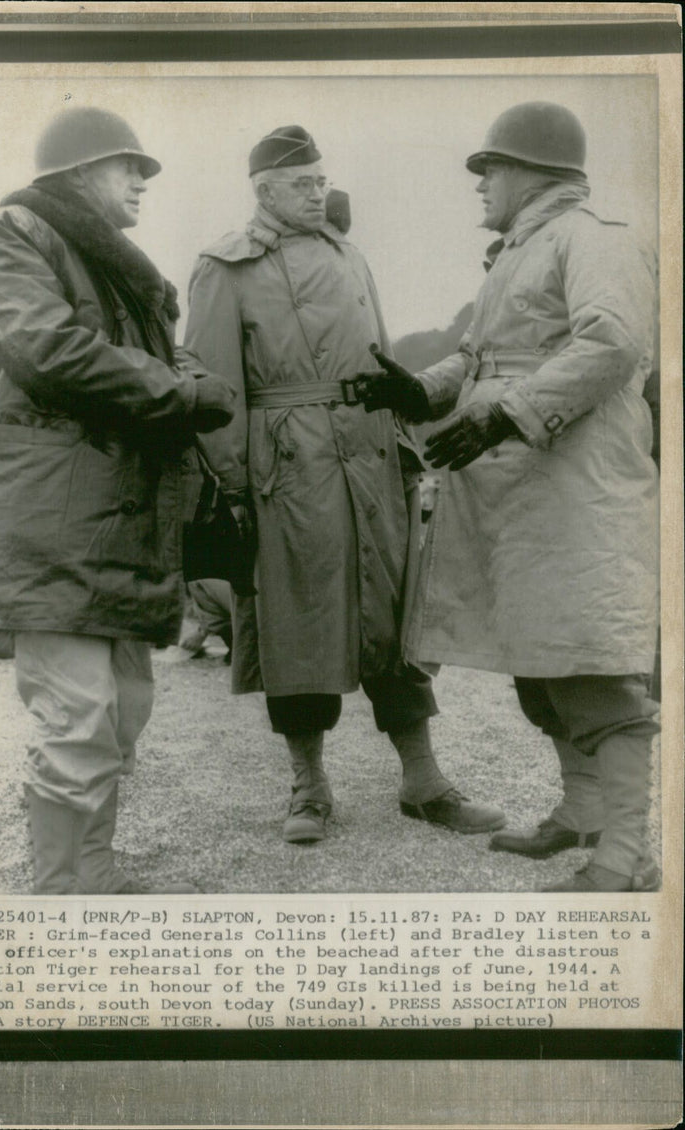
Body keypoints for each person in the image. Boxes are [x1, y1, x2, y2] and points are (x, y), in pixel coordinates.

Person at [355, 102, 659, 892]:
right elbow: (480, 359)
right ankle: (583, 814)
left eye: (489, 168)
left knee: (592, 665)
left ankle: (627, 857)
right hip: (523, 493)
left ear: (531, 170)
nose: (481, 183)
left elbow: (614, 342)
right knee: (543, 663)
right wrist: (418, 391)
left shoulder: (594, 237)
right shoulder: (517, 253)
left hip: (573, 490)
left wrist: (503, 416)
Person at [183, 125, 504, 844]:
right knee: (297, 622)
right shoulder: (223, 267)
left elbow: (382, 364)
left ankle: (424, 782)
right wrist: (238, 486)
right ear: (263, 190)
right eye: (303, 183)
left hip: (367, 455)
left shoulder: (348, 254)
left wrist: (395, 442)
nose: (318, 191)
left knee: (396, 618)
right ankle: (308, 787)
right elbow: (214, 392)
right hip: (286, 467)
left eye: (322, 179)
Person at [0, 106, 235, 893]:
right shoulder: (13, 234)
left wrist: (184, 374)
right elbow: (50, 350)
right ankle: (57, 903)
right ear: (79, 173)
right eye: (129, 167)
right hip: (49, 518)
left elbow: (145, 363)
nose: (143, 182)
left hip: (120, 518)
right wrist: (183, 391)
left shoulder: (121, 267)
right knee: (76, 719)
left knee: (121, 716)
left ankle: (96, 877)